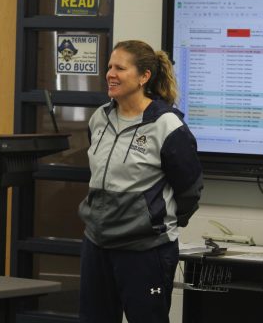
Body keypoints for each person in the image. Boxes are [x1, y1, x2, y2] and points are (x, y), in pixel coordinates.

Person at [78, 40, 203, 323]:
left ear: (144, 77)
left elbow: (190, 190)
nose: (110, 73)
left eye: (120, 68)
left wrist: (153, 220)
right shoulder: (100, 118)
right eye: (110, 66)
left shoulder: (167, 125)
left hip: (146, 250)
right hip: (97, 245)